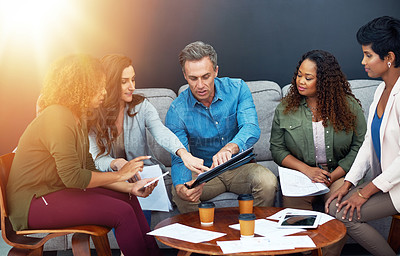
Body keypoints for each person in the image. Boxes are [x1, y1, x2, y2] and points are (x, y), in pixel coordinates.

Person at [6, 54, 162, 256]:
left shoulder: (77, 118)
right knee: (121, 214)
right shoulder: (57, 117)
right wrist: (121, 174)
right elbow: (73, 178)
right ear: (80, 87)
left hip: (54, 192)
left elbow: (89, 170)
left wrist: (130, 187)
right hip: (33, 204)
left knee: (129, 199)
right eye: (99, 86)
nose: (105, 92)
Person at [88, 54, 208, 226]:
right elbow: (96, 159)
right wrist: (117, 164)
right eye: (124, 82)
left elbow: (161, 132)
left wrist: (183, 154)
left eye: (133, 79)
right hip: (112, 177)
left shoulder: (141, 106)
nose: (132, 87)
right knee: (120, 206)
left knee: (140, 198)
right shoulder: (93, 114)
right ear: (110, 83)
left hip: (142, 175)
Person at [165, 41, 278, 213]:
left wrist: (230, 147)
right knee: (181, 192)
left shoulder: (238, 89)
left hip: (240, 167)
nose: (200, 85)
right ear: (185, 75)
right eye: (193, 78)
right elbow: (179, 156)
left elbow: (251, 127)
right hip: (206, 173)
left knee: (268, 182)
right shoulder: (177, 110)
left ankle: (255, 233)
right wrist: (181, 186)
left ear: (216, 71)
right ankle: (202, 239)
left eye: (206, 76)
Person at [325, 16, 400, 256]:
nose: (363, 61)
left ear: (389, 58)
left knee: (341, 213)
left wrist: (363, 193)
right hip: (388, 182)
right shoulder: (380, 90)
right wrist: (349, 184)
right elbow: (369, 143)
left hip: (397, 185)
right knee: (337, 205)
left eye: (368, 55)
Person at [270, 50, 367, 211]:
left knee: (339, 209)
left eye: (308, 78)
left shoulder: (349, 106)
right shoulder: (286, 108)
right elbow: (277, 149)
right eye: (299, 75)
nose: (300, 81)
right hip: (302, 175)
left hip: (339, 174)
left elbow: (360, 146)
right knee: (296, 221)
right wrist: (307, 170)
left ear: (324, 81)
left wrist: (332, 176)